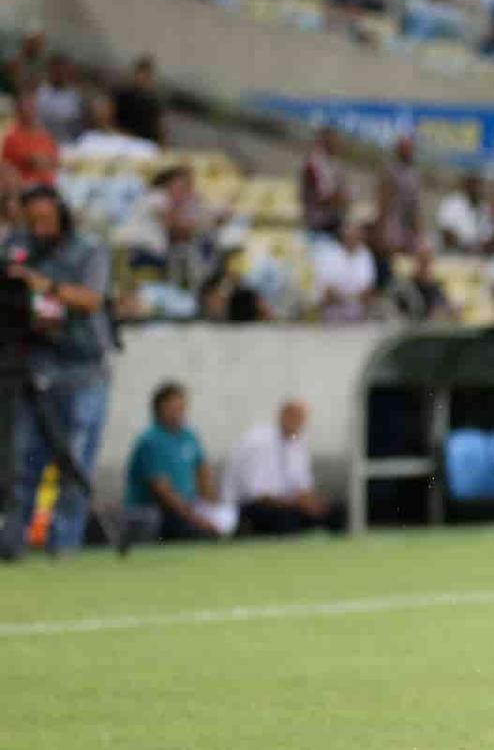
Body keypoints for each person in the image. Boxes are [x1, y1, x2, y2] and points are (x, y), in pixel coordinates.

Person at [1, 187, 114, 558]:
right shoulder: (18, 247)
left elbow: (91, 298)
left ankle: (63, 544)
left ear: (62, 215)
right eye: (32, 220)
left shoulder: (89, 250)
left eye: (45, 219)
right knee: (23, 460)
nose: (39, 227)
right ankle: (12, 542)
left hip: (81, 368)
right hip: (33, 366)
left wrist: (44, 286)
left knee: (75, 462)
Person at [124, 381, 233, 541]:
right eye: (173, 408)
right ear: (159, 409)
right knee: (195, 532)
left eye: (181, 408)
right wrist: (195, 518)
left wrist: (213, 508)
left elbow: (202, 472)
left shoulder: (189, 436)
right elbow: (162, 491)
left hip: (189, 507)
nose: (178, 413)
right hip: (158, 512)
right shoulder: (151, 440)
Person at [223, 400, 344, 535]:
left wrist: (314, 504)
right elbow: (259, 496)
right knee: (285, 518)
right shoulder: (258, 442)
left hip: (287, 505)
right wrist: (296, 504)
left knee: (337, 511)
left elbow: (302, 488)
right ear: (282, 415)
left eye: (301, 418)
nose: (298, 422)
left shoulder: (297, 443)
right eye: (294, 416)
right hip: (250, 507)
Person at [2, 90, 59, 187]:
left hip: (49, 185)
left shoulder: (44, 135)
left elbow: (55, 160)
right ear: (18, 110)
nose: (31, 110)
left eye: (32, 107)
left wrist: (45, 160)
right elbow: (33, 162)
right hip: (25, 186)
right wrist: (44, 160)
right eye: (27, 107)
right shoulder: (12, 137)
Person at [300, 127, 349, 239]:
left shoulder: (335, 163)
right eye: (336, 141)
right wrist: (342, 197)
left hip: (333, 220)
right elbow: (323, 196)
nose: (340, 144)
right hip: (318, 225)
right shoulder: (314, 164)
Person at [111, 57, 166, 148]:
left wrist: (162, 144)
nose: (144, 79)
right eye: (142, 75)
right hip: (124, 139)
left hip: (146, 142)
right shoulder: (123, 95)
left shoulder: (154, 100)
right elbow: (113, 119)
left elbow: (160, 126)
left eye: (147, 76)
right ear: (136, 75)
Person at [34, 55, 86, 145]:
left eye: (62, 71)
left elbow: (79, 124)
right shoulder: (40, 94)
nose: (59, 74)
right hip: (43, 142)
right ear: (50, 72)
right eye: (56, 71)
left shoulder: (75, 96)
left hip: (69, 142)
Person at [435, 170, 487, 251]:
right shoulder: (451, 203)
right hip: (453, 253)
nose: (475, 187)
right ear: (466, 183)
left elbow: (486, 237)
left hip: (477, 254)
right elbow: (446, 233)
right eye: (472, 183)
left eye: (477, 183)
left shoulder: (483, 207)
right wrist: (464, 244)